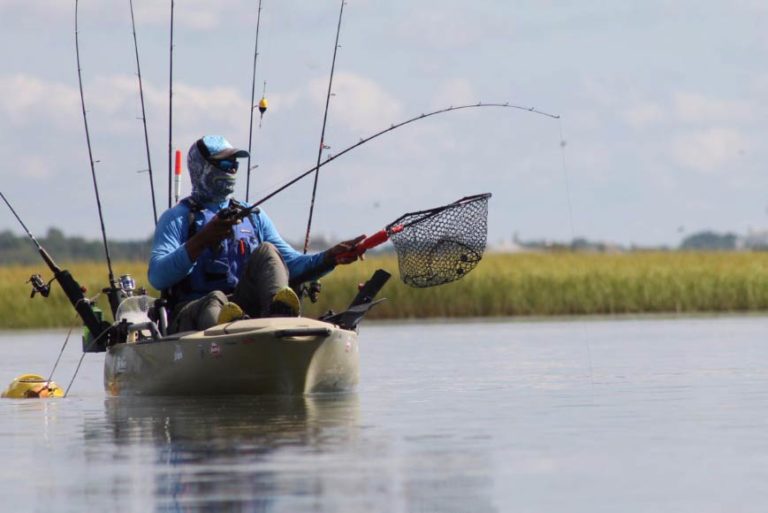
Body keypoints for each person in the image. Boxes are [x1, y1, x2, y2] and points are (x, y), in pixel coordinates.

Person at [148, 135, 364, 334]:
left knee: (269, 251)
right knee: (214, 300)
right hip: (194, 314)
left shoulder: (253, 216)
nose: (231, 170)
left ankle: (281, 320)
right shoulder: (177, 218)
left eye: (234, 164)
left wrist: (331, 257)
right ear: (201, 168)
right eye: (224, 164)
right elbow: (157, 276)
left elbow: (293, 265)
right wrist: (203, 239)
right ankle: (235, 335)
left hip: (243, 309)